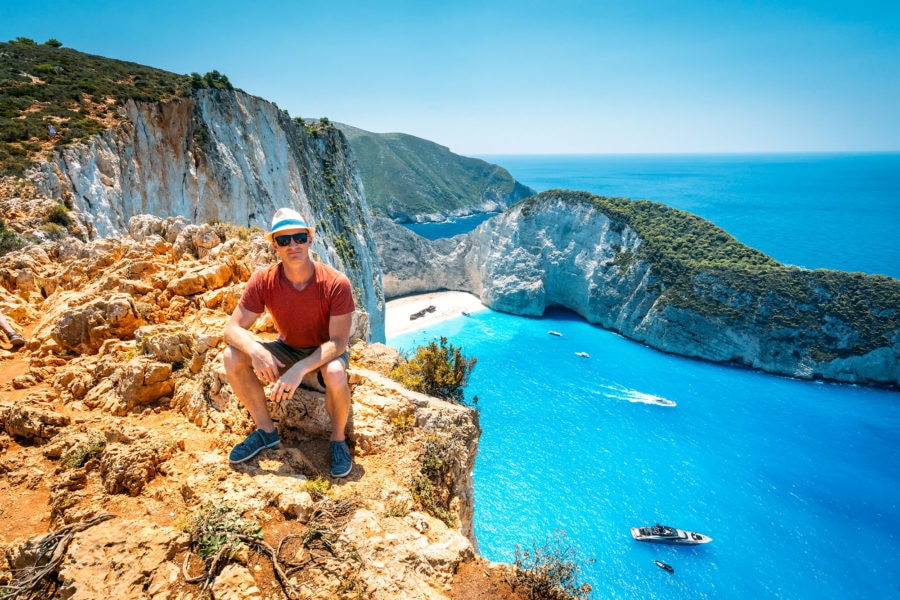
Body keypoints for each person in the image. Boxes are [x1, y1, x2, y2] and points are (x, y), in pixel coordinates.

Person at [223, 208, 356, 477]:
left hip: (324, 351)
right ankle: (266, 431)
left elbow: (339, 342)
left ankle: (338, 439)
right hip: (288, 347)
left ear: (310, 239)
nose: (292, 245)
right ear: (274, 245)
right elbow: (232, 328)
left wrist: (299, 369)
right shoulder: (264, 280)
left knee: (334, 372)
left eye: (298, 238)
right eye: (284, 240)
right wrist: (255, 350)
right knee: (231, 356)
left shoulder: (336, 283)